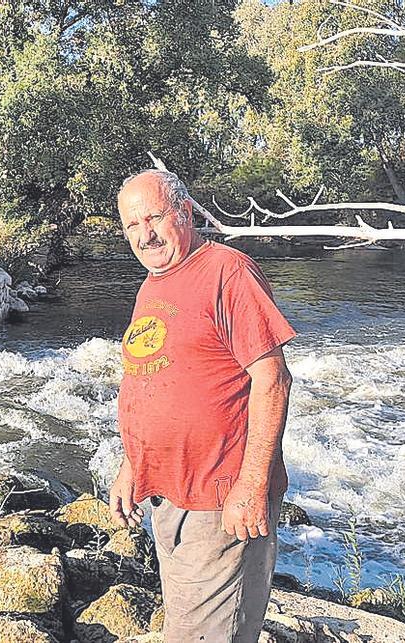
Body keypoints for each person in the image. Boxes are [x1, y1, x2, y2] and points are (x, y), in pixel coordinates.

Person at [110, 168, 296, 642]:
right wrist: (132, 465)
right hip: (170, 494)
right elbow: (150, 377)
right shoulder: (153, 282)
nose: (145, 235)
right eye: (132, 225)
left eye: (155, 218)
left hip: (220, 499)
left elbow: (273, 380)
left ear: (186, 213)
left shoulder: (228, 272)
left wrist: (251, 485)